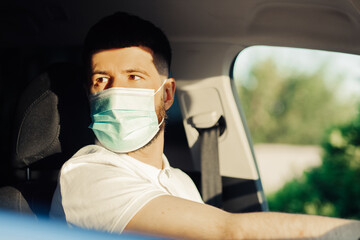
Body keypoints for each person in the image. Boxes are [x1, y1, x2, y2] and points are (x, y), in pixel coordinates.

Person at [50, 12, 360, 239]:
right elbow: (229, 232)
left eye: (134, 77)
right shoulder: (85, 175)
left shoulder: (180, 181)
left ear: (167, 94)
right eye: (101, 80)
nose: (116, 92)